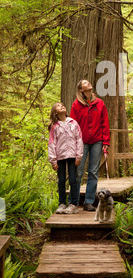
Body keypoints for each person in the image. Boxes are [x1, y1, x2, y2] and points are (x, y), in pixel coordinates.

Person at [70, 80, 110, 211]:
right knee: (78, 172)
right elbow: (72, 126)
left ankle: (89, 202)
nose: (88, 83)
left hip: (97, 142)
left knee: (93, 172)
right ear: (81, 89)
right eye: (84, 83)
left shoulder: (99, 103)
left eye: (88, 82)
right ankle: (73, 202)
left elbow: (105, 123)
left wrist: (106, 142)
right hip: (81, 143)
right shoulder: (76, 104)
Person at [48, 102, 83, 214]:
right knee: (61, 180)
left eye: (63, 105)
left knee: (73, 180)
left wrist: (79, 156)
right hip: (60, 157)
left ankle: (73, 204)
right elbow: (52, 143)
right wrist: (53, 160)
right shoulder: (55, 127)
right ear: (55, 112)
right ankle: (62, 203)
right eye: (58, 106)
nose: (62, 106)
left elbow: (79, 139)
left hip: (73, 156)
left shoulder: (73, 123)